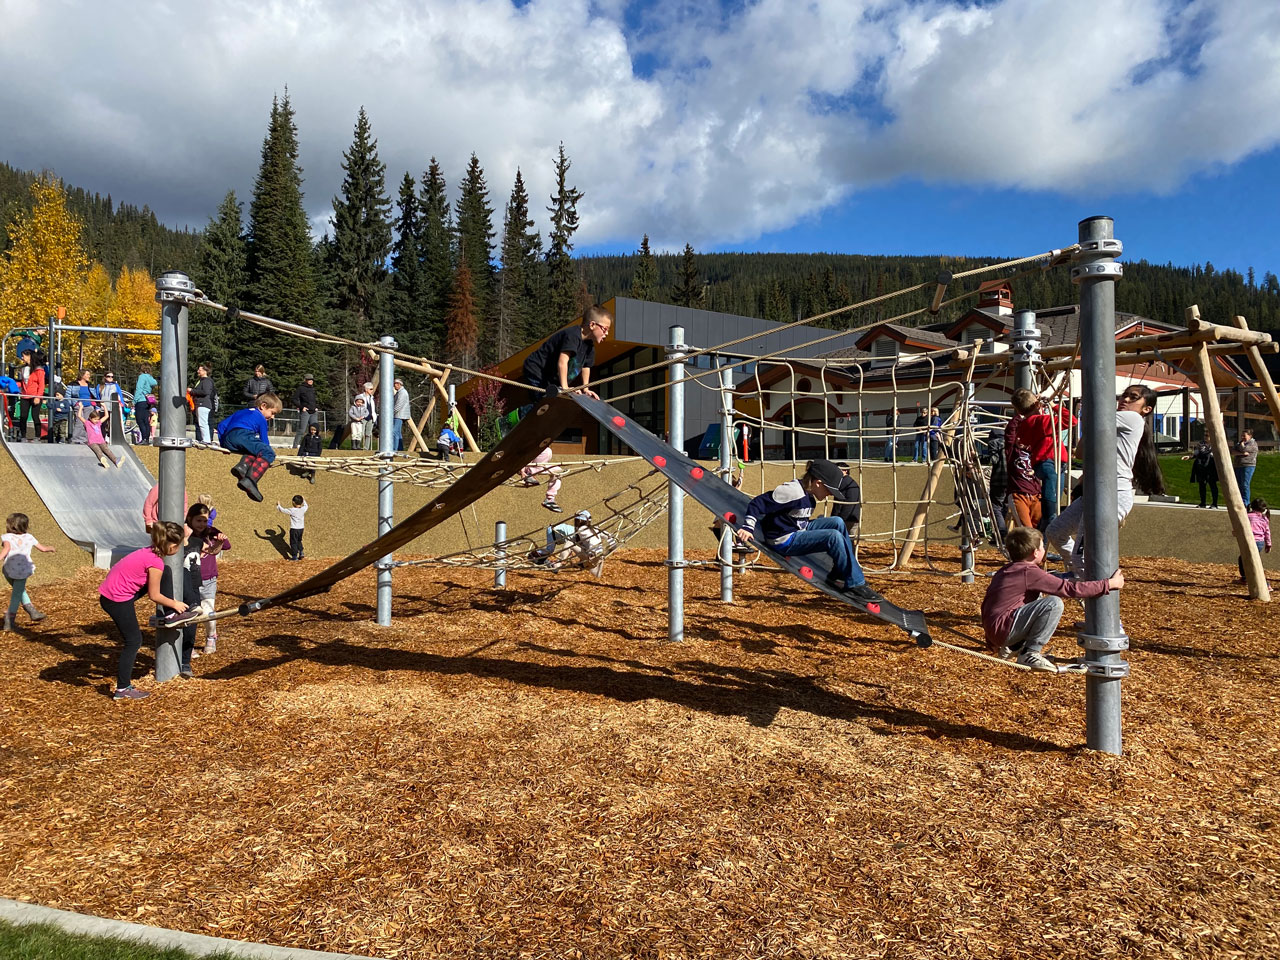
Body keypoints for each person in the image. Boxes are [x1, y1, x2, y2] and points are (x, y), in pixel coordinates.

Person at [1047, 386, 1165, 577]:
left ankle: (1092, 585)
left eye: (1133, 397)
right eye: (1124, 396)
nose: (1125, 400)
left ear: (1146, 409)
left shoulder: (1133, 418)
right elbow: (1080, 452)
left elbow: (1096, 417)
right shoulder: (1110, 424)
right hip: (1095, 492)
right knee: (1056, 532)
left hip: (1112, 495)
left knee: (1083, 556)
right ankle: (1079, 575)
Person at [735, 458, 882, 603]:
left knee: (837, 522)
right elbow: (757, 503)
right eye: (829, 490)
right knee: (833, 536)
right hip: (783, 540)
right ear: (817, 483)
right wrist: (748, 527)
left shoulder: (809, 495)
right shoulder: (792, 491)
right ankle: (855, 584)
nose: (830, 495)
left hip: (798, 529)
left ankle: (839, 572)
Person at [981, 526, 1124, 671]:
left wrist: (991, 638)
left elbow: (990, 603)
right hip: (1003, 630)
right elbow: (1069, 590)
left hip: (996, 630)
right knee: (1053, 603)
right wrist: (1109, 584)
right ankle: (1031, 653)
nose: (1044, 551)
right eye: (1043, 547)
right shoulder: (1029, 572)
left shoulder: (1006, 570)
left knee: (1038, 597)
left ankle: (1013, 646)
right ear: (1035, 552)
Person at [99, 522, 196, 701]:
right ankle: (122, 688)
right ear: (172, 546)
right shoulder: (155, 562)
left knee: (166, 571)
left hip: (115, 592)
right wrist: (175, 604)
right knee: (134, 641)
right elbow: (154, 595)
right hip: (116, 599)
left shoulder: (150, 551)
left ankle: (169, 615)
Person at [518, 305, 611, 416]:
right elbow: (563, 362)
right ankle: (514, 418)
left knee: (552, 407)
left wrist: (585, 388)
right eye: (605, 329)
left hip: (551, 378)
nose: (606, 334)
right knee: (544, 404)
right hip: (537, 371)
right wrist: (565, 387)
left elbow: (586, 367)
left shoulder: (589, 346)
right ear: (592, 325)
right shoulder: (572, 336)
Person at [218, 392, 283, 502]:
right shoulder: (261, 419)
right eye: (272, 413)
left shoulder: (241, 412)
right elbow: (264, 442)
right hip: (242, 435)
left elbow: (221, 425)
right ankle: (251, 480)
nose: (272, 417)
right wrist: (267, 460)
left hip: (228, 438)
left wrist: (223, 444)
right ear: (263, 406)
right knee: (267, 452)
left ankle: (242, 467)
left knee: (253, 450)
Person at [187, 499, 229, 656]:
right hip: (189, 579)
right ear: (190, 518)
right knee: (191, 612)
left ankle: (211, 637)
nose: (201, 524)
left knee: (208, 611)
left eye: (205, 520)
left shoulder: (211, 532)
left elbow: (215, 550)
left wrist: (219, 542)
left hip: (208, 579)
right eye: (198, 520)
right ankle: (188, 645)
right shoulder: (186, 534)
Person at [0, 512, 55, 631]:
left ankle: (32, 611)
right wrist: (50, 548)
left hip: (8, 570)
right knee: (16, 594)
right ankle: (9, 620)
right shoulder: (30, 537)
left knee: (19, 590)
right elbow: (43, 549)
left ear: (12, 526)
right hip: (22, 571)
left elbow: (6, 548)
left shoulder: (7, 537)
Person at [529, 510, 610, 576]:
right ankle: (536, 556)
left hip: (591, 557)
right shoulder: (593, 529)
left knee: (568, 545)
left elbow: (579, 544)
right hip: (553, 532)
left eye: (577, 521)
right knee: (550, 549)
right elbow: (607, 536)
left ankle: (552, 562)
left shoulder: (581, 530)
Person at [519, 447, 563, 512]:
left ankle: (549, 499)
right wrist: (522, 471)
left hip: (540, 466)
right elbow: (521, 456)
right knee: (546, 451)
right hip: (527, 466)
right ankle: (529, 473)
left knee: (558, 471)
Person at [14, 349, 45, 442]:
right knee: (23, 416)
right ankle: (23, 436)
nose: (22, 358)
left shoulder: (38, 370)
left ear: (29, 356)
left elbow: (41, 384)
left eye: (23, 356)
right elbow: (23, 383)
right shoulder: (23, 369)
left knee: (35, 416)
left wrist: (38, 397)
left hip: (35, 395)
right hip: (25, 395)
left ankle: (37, 436)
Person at [1240, 497, 1272, 581]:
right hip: (1260, 542)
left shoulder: (1248, 516)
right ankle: (1252, 576)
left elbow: (1242, 526)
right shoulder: (1264, 518)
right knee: (1254, 558)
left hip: (1250, 540)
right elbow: (1267, 532)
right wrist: (1268, 544)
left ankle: (1246, 576)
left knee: (1243, 558)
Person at [830, 461, 862, 543]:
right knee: (850, 540)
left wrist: (834, 517)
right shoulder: (852, 482)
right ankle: (852, 555)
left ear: (845, 471)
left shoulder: (843, 483)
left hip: (846, 518)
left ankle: (849, 555)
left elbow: (839, 503)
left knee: (842, 541)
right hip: (854, 517)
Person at [1182, 440, 1219, 508]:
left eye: (1207, 434)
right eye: (1205, 433)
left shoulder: (1215, 444)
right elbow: (1196, 454)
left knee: (1213, 485)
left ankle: (1214, 503)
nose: (1206, 436)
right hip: (1201, 467)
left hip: (1211, 467)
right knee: (1202, 485)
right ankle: (1203, 503)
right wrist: (1189, 457)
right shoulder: (1200, 444)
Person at [986, 431, 1009, 535]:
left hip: (998, 480)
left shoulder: (993, 443)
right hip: (1010, 481)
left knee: (995, 507)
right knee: (1005, 506)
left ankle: (1001, 532)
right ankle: (1004, 531)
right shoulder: (1010, 443)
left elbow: (993, 460)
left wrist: (978, 458)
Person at [277, 495, 308, 561]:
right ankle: (301, 552)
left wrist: (278, 505)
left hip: (294, 529)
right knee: (299, 540)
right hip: (301, 528)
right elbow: (306, 506)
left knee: (293, 542)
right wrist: (304, 499)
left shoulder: (292, 510)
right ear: (301, 502)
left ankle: (294, 556)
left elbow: (282, 510)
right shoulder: (303, 509)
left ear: (293, 502)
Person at [291, 374, 318, 449]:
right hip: (305, 412)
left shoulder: (313, 389)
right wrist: (301, 407)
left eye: (312, 380)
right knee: (302, 430)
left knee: (314, 430)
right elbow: (294, 399)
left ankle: (312, 446)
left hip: (314, 412)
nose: (311, 381)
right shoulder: (301, 388)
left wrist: (316, 407)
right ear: (305, 380)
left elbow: (314, 399)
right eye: (309, 380)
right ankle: (295, 446)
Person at [132, 365, 157, 444]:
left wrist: (134, 401)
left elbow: (139, 389)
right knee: (146, 420)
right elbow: (155, 383)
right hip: (147, 402)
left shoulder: (142, 377)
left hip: (140, 400)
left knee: (140, 420)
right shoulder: (150, 378)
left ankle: (144, 439)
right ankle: (146, 438)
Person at [191, 364, 216, 443]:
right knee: (202, 422)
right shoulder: (202, 381)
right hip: (201, 404)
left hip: (203, 404)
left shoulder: (206, 381)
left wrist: (192, 391)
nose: (198, 371)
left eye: (200, 370)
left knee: (203, 423)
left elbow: (206, 391)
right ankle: (205, 439)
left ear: (205, 371)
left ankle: (206, 440)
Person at [1233, 428, 1259, 506]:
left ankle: (1246, 502)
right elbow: (1233, 451)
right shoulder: (1239, 443)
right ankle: (1239, 501)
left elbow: (1245, 449)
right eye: (1242, 436)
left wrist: (1241, 447)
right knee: (1239, 484)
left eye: (1244, 436)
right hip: (1238, 465)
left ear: (1250, 436)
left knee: (1245, 484)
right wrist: (1241, 453)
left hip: (1248, 465)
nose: (1242, 437)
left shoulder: (1253, 444)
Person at [391, 377, 410, 451]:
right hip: (399, 415)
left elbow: (398, 405)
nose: (394, 386)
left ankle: (394, 449)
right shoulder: (400, 392)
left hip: (399, 415)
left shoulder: (402, 393)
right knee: (398, 432)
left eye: (395, 384)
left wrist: (390, 413)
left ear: (399, 384)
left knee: (394, 431)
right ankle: (400, 448)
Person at [361, 381, 378, 450]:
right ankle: (358, 446)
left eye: (372, 389)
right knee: (361, 433)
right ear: (366, 389)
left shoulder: (372, 398)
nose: (372, 390)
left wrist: (374, 417)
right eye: (371, 389)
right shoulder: (360, 397)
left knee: (368, 434)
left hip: (371, 418)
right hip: (363, 417)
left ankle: (366, 448)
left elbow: (373, 409)